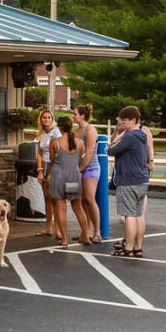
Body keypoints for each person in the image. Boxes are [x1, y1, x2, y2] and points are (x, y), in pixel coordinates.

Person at [107, 106, 152, 257]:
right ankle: (138, 247)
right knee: (139, 214)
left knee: (129, 215)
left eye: (125, 121)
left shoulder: (129, 137)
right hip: (142, 180)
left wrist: (119, 134)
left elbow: (111, 150)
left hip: (128, 180)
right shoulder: (142, 135)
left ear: (133, 120)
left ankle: (129, 248)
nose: (122, 124)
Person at [48, 115, 91, 246]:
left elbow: (52, 159)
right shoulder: (80, 143)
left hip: (59, 176)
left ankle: (65, 239)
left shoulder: (55, 142)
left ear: (60, 127)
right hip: (73, 176)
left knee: (61, 208)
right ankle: (85, 235)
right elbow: (80, 158)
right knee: (77, 207)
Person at [72, 104, 101, 243]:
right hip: (79, 169)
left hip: (91, 168)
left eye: (75, 114)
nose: (74, 116)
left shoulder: (90, 130)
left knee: (89, 198)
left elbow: (89, 153)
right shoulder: (76, 132)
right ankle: (86, 231)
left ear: (82, 116)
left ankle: (97, 232)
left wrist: (82, 168)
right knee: (81, 200)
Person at [33, 108, 61, 238]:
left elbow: (59, 153)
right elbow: (39, 152)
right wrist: (39, 170)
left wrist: (51, 173)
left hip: (54, 164)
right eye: (44, 117)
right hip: (44, 165)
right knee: (47, 199)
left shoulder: (56, 132)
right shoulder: (41, 133)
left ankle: (59, 229)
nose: (47, 120)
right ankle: (48, 227)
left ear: (52, 119)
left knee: (55, 199)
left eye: (49, 117)